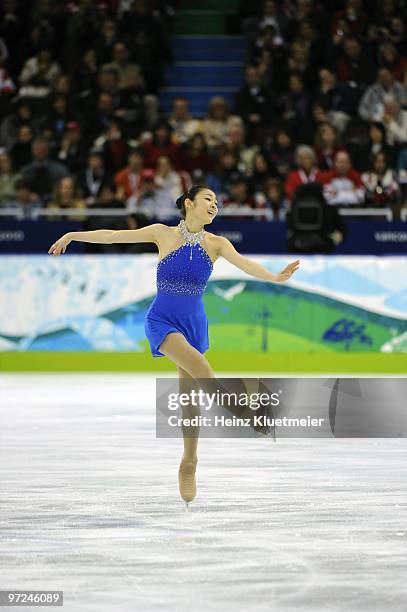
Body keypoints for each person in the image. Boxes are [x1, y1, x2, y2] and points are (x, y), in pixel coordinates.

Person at [48, 185, 300, 504]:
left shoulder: (217, 244)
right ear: (190, 203)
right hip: (163, 321)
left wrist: (275, 277)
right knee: (202, 369)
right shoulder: (162, 234)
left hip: (194, 323)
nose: (214, 205)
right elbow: (113, 236)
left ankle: (189, 462)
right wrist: (73, 234)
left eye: (217, 202)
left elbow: (247, 265)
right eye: (208, 199)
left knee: (190, 396)